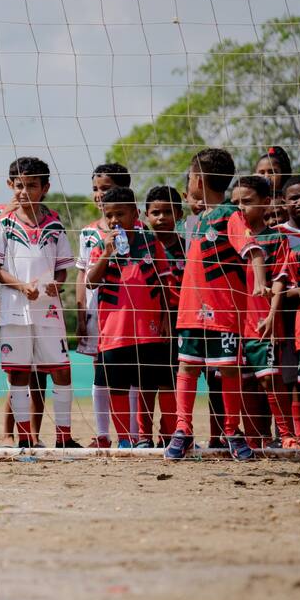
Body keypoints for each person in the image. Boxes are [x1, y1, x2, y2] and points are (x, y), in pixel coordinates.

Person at [167, 148, 254, 461]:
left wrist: (258, 285)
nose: (188, 182)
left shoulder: (232, 215)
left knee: (228, 371)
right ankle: (183, 430)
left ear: (198, 180)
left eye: (190, 176)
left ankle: (232, 431)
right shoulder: (194, 221)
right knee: (188, 365)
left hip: (224, 311)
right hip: (191, 309)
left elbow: (252, 250)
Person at [0, 156, 79, 449]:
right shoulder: (3, 222)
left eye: (31, 185)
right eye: (19, 185)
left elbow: (63, 267)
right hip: (15, 307)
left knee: (62, 369)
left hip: (48, 309)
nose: (24, 191)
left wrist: (58, 283)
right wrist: (20, 286)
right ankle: (25, 437)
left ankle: (64, 437)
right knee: (19, 372)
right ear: (10, 185)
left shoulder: (54, 223)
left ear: (45, 187)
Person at [85, 187, 175, 447]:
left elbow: (164, 282)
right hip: (114, 331)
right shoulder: (103, 245)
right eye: (109, 215)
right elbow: (91, 283)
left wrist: (167, 317)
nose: (114, 221)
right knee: (118, 387)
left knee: (152, 385)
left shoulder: (150, 242)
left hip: (148, 330)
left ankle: (153, 436)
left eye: (120, 214)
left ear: (135, 214)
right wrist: (106, 253)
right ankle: (125, 438)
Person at [228, 175, 294, 447]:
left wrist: (271, 314)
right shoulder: (227, 237)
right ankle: (255, 437)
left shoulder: (275, 238)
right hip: (230, 321)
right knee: (240, 383)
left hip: (261, 320)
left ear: (266, 203)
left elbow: (280, 279)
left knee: (269, 381)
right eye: (235, 203)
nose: (240, 209)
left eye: (247, 202)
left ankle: (286, 434)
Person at [76, 163, 132, 447]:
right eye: (96, 189)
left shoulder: (139, 230)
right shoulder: (88, 233)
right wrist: (80, 309)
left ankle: (132, 434)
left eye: (105, 189)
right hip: (99, 311)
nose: (99, 195)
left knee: (130, 372)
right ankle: (102, 434)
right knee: (101, 370)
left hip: (129, 312)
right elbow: (81, 274)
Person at [142, 185, 188, 444]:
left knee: (172, 378)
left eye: (168, 212)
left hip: (179, 319)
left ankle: (170, 433)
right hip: (147, 322)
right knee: (146, 379)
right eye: (155, 212)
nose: (161, 218)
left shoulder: (188, 248)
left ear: (179, 214)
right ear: (146, 215)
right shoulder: (141, 248)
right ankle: (142, 436)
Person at [277, 174, 300, 446]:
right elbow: (279, 284)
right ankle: (295, 435)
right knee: (294, 381)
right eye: (294, 198)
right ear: (283, 202)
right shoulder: (280, 236)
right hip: (293, 323)